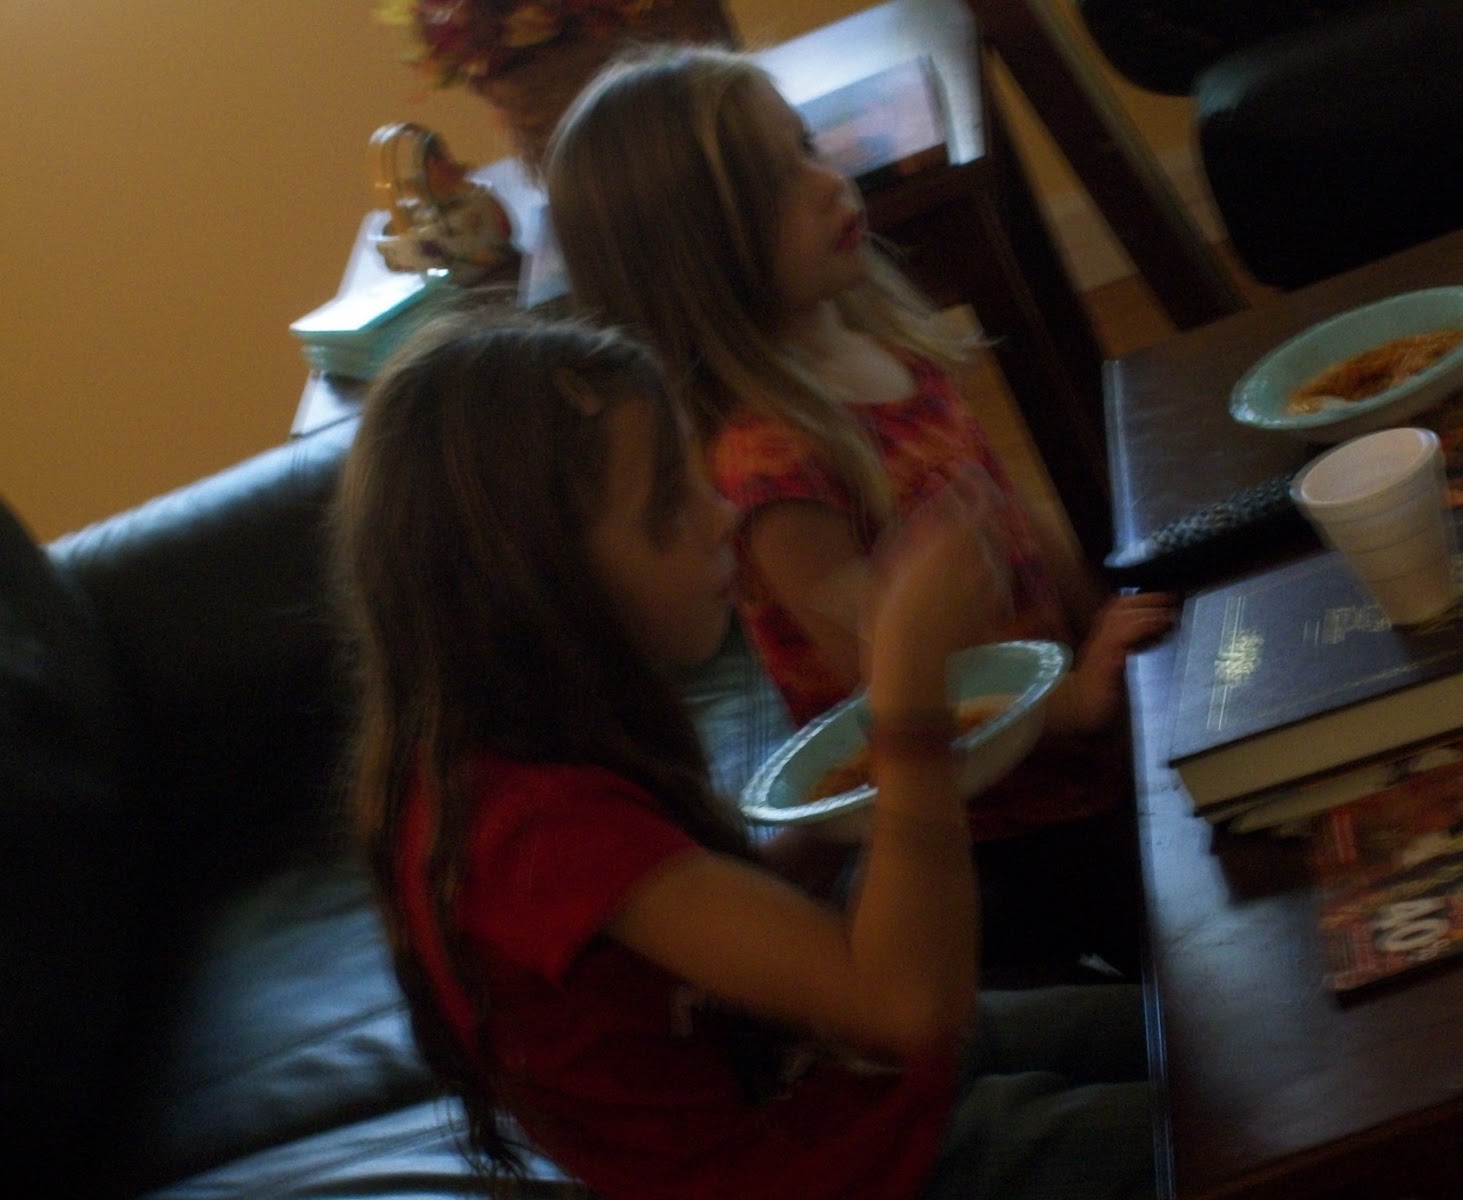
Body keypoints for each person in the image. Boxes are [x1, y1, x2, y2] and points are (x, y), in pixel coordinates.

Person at [331, 310, 1155, 1199]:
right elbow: (905, 1006)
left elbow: (683, 941)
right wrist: (909, 695)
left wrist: (820, 835)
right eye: (668, 508)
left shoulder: (527, 746)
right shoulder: (526, 831)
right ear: (536, 586)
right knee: (1221, 1107)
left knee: (1183, 1018)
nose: (723, 516)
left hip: (849, 1091)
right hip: (853, 1174)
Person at [543, 45, 1175, 971]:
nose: (826, 182)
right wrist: (1073, 703)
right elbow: (889, 674)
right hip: (993, 831)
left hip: (1068, 737)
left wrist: (1098, 629)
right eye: (773, 188)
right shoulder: (769, 463)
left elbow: (1011, 518)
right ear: (694, 260)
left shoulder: (881, 338)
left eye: (804, 146)